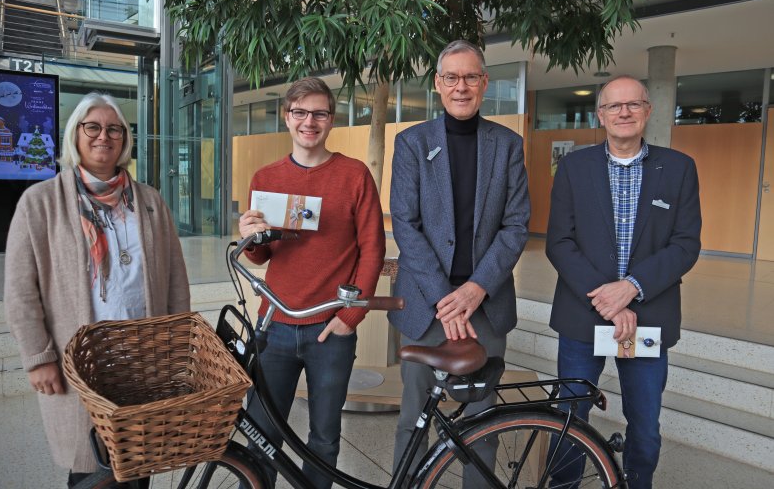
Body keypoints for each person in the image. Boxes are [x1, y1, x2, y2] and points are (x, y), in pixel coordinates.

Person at [4, 92, 191, 487]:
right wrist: (38, 357)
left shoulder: (151, 202)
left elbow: (175, 280)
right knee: (91, 467)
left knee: (138, 461)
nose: (103, 136)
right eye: (93, 126)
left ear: (124, 139)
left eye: (114, 129)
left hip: (142, 359)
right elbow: (21, 290)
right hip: (83, 362)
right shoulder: (40, 204)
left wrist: (175, 344)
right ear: (76, 134)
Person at [546, 75, 701, 488]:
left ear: (648, 111)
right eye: (615, 106)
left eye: (634, 104)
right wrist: (609, 300)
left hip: (645, 320)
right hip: (584, 317)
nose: (624, 112)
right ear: (601, 115)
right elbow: (559, 242)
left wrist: (631, 287)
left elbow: (686, 244)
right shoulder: (574, 168)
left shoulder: (680, 168)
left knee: (645, 426)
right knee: (569, 420)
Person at [388, 40, 531, 482]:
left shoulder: (507, 145)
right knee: (414, 418)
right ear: (437, 84)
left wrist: (475, 288)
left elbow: (516, 224)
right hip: (425, 306)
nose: (461, 86)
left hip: (484, 307)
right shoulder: (411, 143)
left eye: (470, 76)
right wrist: (444, 299)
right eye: (451, 77)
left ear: (484, 83)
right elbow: (405, 224)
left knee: (481, 423)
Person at [238, 76, 385, 489]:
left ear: (331, 121)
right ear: (287, 118)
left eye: (319, 113)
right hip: (275, 325)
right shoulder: (266, 177)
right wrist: (250, 237)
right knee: (259, 433)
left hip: (330, 329)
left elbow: (371, 250)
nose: (309, 121)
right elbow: (261, 255)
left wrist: (351, 315)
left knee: (323, 438)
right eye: (300, 112)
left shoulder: (354, 176)